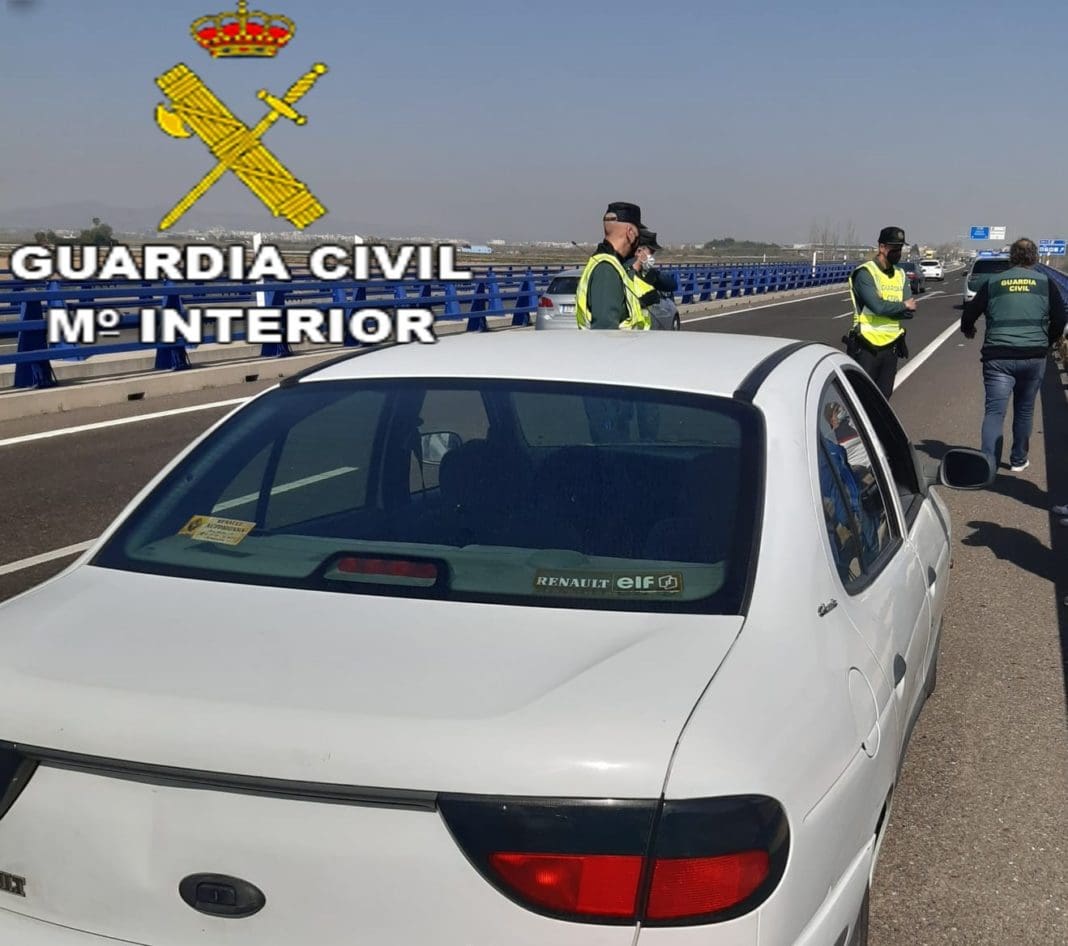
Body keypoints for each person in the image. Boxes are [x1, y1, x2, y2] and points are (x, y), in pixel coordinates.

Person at [961, 237, 1067, 473]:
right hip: (1033, 356)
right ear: (1034, 257)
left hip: (998, 357)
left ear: (1012, 257)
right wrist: (1046, 341)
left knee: (994, 411)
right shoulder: (1046, 282)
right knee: (1024, 409)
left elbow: (969, 314)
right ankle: (1018, 459)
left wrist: (969, 330)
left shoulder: (994, 281)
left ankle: (988, 466)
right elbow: (1060, 318)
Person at [844, 226, 917, 399]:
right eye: (894, 249)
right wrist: (902, 305)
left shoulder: (901, 274)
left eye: (900, 249)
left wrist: (896, 306)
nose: (898, 253)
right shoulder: (866, 273)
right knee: (861, 399)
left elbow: (909, 312)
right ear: (882, 247)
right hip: (867, 347)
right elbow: (877, 307)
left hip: (891, 347)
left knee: (883, 400)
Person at [575, 202, 649, 330]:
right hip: (617, 349)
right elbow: (605, 331)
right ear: (630, 233)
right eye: (638, 235)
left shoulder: (611, 265)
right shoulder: (606, 270)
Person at [629, 228, 678, 330]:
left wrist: (654, 275)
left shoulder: (648, 274)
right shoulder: (625, 274)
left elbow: (672, 284)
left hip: (644, 332)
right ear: (639, 251)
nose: (652, 257)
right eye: (650, 252)